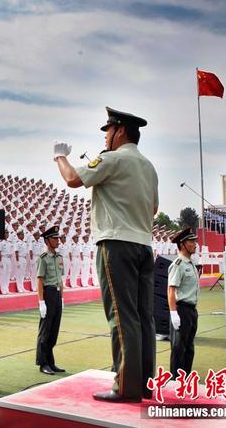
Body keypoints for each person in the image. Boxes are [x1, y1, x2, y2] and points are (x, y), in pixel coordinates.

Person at [54, 106, 158, 402]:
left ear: (120, 130)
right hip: (143, 244)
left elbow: (73, 179)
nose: (106, 137)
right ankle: (146, 382)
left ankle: (126, 386)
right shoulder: (149, 167)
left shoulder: (112, 159)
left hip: (116, 244)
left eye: (109, 131)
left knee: (122, 316)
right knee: (143, 317)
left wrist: (59, 157)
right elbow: (153, 208)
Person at [168, 228, 200, 377]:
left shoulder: (190, 263)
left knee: (189, 347)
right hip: (181, 310)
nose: (195, 244)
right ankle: (175, 382)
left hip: (192, 311)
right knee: (178, 348)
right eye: (191, 241)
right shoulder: (178, 264)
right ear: (182, 244)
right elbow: (171, 290)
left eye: (195, 241)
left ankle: (185, 379)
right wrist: (174, 313)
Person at [35, 226, 66, 375]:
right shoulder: (43, 258)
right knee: (45, 331)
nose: (57, 241)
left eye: (58, 238)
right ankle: (43, 363)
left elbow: (60, 279)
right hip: (47, 294)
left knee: (54, 331)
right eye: (54, 238)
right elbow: (40, 280)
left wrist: (62, 298)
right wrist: (41, 302)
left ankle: (51, 362)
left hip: (57, 295)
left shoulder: (59, 257)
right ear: (47, 241)